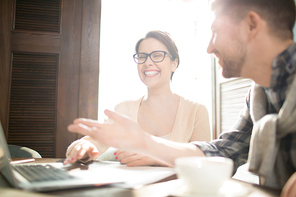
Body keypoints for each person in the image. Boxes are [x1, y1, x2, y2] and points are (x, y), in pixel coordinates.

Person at [67, 0, 296, 196]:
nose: (209, 48)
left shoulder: (195, 109)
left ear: (252, 25)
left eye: (215, 32)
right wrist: (143, 142)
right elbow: (224, 152)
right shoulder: (258, 96)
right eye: (143, 56)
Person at [64, 30, 211, 167]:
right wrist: (84, 148)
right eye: (142, 56)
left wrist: (155, 157)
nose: (148, 62)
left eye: (157, 55)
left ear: (174, 63)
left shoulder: (196, 111)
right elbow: (96, 142)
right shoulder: (124, 109)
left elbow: (204, 163)